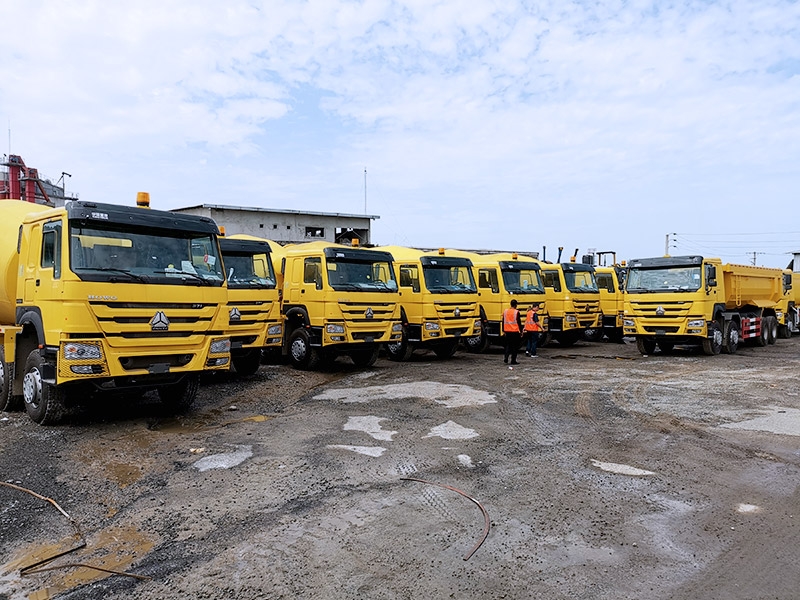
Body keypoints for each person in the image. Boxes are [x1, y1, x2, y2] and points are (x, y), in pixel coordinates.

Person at [503, 299, 523, 365]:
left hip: (507, 331)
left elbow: (503, 321)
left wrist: (503, 330)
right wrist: (521, 331)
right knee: (514, 347)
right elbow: (518, 322)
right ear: (516, 305)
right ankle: (513, 360)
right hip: (514, 331)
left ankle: (506, 358)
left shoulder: (505, 311)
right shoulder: (516, 312)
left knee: (508, 345)